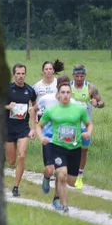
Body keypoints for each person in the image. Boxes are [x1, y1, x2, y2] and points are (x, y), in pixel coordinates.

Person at [36, 78, 93, 214]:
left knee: (71, 181)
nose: (65, 95)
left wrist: (88, 133)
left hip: (74, 148)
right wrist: (41, 137)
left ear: (71, 94)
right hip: (58, 147)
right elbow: (39, 126)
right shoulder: (52, 111)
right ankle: (64, 206)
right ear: (59, 94)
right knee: (61, 174)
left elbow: (89, 124)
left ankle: (61, 195)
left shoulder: (79, 110)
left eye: (68, 92)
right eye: (63, 92)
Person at [4, 63, 37, 197]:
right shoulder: (7, 89)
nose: (20, 76)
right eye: (18, 74)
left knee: (22, 155)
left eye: (23, 73)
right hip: (8, 127)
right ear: (14, 75)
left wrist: (33, 128)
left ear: (25, 74)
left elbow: (34, 107)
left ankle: (16, 187)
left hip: (23, 127)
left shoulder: (29, 90)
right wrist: (7, 106)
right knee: (11, 161)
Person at [70, 64, 105, 189]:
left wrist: (97, 103)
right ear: (73, 76)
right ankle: (69, 173)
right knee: (70, 150)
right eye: (77, 76)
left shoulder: (90, 88)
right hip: (71, 125)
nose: (79, 78)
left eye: (82, 76)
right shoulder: (68, 87)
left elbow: (102, 102)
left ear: (85, 76)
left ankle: (79, 176)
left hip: (85, 126)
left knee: (83, 151)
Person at [33, 60, 64, 193]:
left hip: (60, 120)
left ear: (53, 70)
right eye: (46, 69)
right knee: (48, 148)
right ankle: (48, 173)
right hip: (44, 120)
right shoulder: (37, 86)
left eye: (50, 69)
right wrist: (34, 122)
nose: (48, 71)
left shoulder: (58, 83)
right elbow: (34, 102)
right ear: (42, 71)